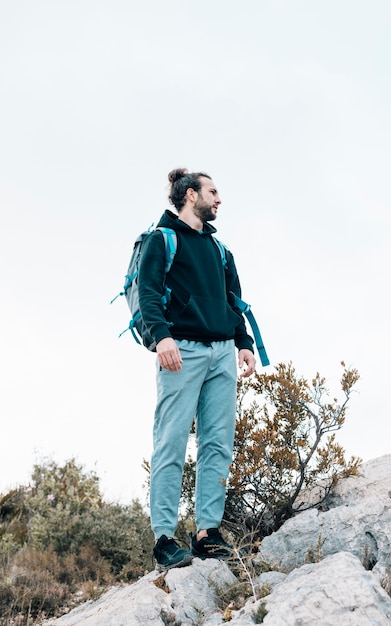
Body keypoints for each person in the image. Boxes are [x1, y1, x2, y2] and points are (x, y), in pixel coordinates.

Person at [138, 168, 256, 572]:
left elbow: (233, 300)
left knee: (218, 445)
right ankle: (164, 540)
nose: (219, 199)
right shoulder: (162, 239)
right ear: (191, 195)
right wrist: (161, 337)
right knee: (170, 442)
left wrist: (244, 344)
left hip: (222, 352)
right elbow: (149, 291)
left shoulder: (221, 250)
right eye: (213, 191)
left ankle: (207, 533)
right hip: (180, 351)